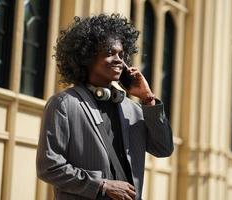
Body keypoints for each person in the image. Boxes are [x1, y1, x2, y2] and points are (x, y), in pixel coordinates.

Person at [36, 14, 173, 200]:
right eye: (109, 53)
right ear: (86, 56)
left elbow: (163, 148)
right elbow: (49, 167)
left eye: (121, 54)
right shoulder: (63, 104)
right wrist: (102, 185)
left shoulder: (133, 109)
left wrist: (148, 99)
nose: (119, 60)